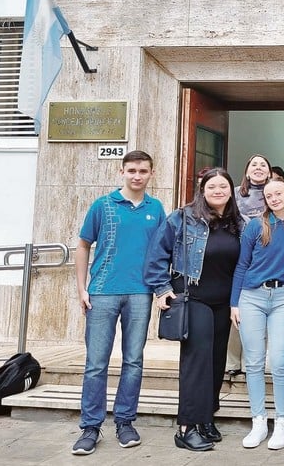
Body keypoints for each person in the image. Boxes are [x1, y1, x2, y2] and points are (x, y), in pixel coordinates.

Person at [71, 151, 166, 455]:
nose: (137, 176)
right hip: (102, 292)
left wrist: (162, 288)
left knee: (134, 361)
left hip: (140, 293)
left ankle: (125, 421)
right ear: (121, 171)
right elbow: (83, 245)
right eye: (132, 170)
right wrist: (81, 288)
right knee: (96, 363)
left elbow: (163, 251)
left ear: (152, 174)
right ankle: (90, 427)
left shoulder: (157, 208)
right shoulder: (103, 206)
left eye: (143, 171)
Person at [144, 168, 243, 452]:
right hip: (193, 298)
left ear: (231, 190)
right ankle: (186, 427)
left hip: (224, 303)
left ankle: (206, 418)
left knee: (215, 362)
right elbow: (157, 254)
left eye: (223, 186)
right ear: (203, 190)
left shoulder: (239, 222)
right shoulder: (183, 217)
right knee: (197, 362)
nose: (218, 191)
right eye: (212, 186)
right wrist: (162, 288)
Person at [230, 178, 284, 450]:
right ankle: (259, 421)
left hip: (283, 296)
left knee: (278, 361)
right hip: (252, 295)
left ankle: (282, 422)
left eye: (278, 194)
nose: (273, 198)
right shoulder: (255, 226)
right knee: (253, 361)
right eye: (269, 195)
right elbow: (242, 265)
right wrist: (234, 303)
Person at [228, 154, 273, 376]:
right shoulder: (234, 194)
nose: (258, 168)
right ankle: (232, 363)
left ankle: (252, 363)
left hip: (264, 259)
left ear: (270, 172)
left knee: (257, 311)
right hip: (237, 256)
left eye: (263, 165)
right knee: (236, 307)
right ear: (247, 171)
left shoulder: (275, 194)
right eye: (254, 164)